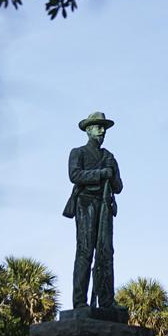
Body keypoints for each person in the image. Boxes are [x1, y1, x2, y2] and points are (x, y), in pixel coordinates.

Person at [63, 110, 122, 310]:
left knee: (106, 252)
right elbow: (75, 175)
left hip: (105, 204)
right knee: (85, 251)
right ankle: (80, 302)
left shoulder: (109, 156)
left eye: (104, 127)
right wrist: (101, 173)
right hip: (86, 203)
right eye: (98, 126)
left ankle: (106, 300)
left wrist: (111, 173)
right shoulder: (77, 152)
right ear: (88, 130)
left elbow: (119, 187)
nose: (102, 130)